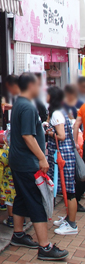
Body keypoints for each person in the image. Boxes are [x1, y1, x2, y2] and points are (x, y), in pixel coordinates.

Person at [9, 72, 68, 261]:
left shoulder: (19, 103)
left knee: (22, 197)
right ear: (31, 86)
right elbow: (27, 136)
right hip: (27, 163)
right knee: (36, 201)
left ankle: (18, 234)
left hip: (18, 161)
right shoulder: (27, 106)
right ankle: (45, 247)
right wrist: (42, 158)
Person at [46, 86, 79, 234]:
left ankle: (72, 225)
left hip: (63, 157)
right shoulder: (61, 111)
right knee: (67, 189)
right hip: (66, 156)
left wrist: (50, 133)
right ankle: (68, 218)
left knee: (69, 191)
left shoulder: (56, 113)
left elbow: (61, 136)